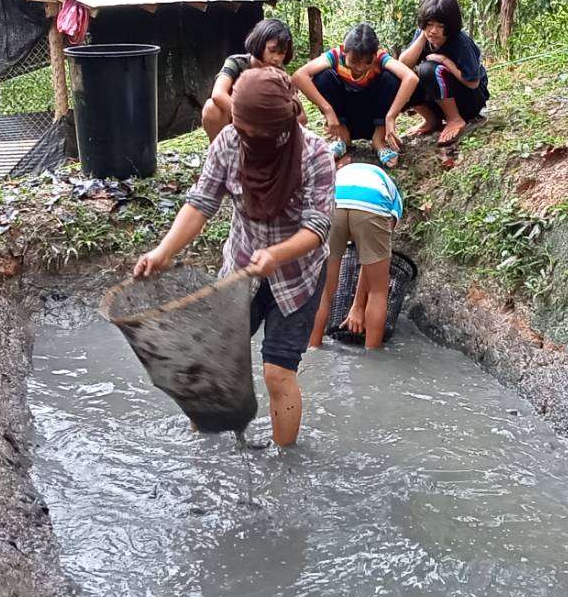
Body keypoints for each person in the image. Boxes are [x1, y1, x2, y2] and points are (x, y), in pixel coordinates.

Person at [132, 68, 334, 447]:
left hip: (298, 275)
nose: (240, 135)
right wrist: (163, 252)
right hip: (241, 268)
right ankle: (203, 447)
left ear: (277, 131)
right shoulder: (228, 142)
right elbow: (201, 203)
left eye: (249, 131)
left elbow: (318, 227)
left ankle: (283, 464)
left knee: (277, 372)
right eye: (238, 127)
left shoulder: (314, 155)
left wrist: (277, 254)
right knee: (211, 362)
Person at [308, 161, 405, 351]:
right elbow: (369, 261)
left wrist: (357, 306)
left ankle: (312, 346)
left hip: (335, 199)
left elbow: (363, 258)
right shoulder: (394, 199)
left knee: (325, 288)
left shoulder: (345, 172)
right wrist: (359, 305)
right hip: (372, 203)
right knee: (378, 290)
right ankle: (372, 358)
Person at [293, 23, 419, 166]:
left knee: (392, 77)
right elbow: (299, 76)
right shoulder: (335, 56)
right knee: (322, 77)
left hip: (374, 117)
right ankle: (343, 139)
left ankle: (379, 140)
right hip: (346, 118)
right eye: (353, 61)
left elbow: (411, 78)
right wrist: (328, 110)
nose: (360, 68)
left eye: (367, 62)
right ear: (343, 51)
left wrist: (391, 116)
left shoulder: (381, 58)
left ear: (374, 54)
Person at [399, 0, 489, 146]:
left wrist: (444, 60)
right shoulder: (425, 35)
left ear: (450, 26)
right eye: (429, 24)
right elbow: (403, 64)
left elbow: (473, 83)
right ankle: (431, 120)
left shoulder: (461, 43)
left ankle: (455, 119)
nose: (433, 30)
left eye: (440, 26)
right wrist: (423, 36)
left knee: (429, 70)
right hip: (439, 99)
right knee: (403, 76)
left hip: (469, 100)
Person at [201, 18, 295, 139]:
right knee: (211, 107)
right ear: (259, 44)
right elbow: (218, 94)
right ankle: (219, 152)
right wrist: (249, 118)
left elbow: (299, 114)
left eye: (282, 53)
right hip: (233, 121)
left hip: (264, 130)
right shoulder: (236, 62)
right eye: (272, 50)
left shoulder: (280, 73)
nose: (276, 58)